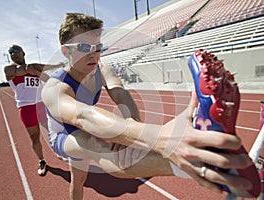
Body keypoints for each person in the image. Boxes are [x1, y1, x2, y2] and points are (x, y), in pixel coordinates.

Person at [41, 13, 255, 199]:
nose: (94, 54)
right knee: (96, 144)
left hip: (85, 124)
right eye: (83, 47)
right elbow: (82, 116)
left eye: (98, 47)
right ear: (65, 51)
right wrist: (159, 137)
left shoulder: (102, 69)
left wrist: (133, 133)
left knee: (78, 180)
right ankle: (199, 165)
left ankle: (204, 161)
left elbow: (122, 96)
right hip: (63, 134)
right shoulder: (54, 88)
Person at [4, 44, 63, 176]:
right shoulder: (9, 69)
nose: (12, 53)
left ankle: (57, 151)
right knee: (35, 136)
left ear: (23, 53)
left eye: (15, 51)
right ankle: (42, 160)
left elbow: (47, 79)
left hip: (40, 105)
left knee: (51, 130)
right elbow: (29, 68)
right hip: (26, 108)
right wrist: (55, 66)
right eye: (10, 52)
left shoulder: (34, 70)